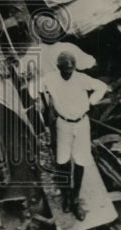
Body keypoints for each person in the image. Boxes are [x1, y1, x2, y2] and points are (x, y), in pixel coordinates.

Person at [40, 50, 109, 220]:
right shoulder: (51, 79)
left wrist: (91, 102)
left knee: (81, 160)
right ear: (58, 68)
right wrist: (41, 96)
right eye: (65, 70)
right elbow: (33, 89)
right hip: (63, 124)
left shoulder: (82, 79)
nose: (68, 73)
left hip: (82, 123)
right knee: (62, 160)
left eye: (71, 69)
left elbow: (102, 87)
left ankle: (76, 199)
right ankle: (66, 196)